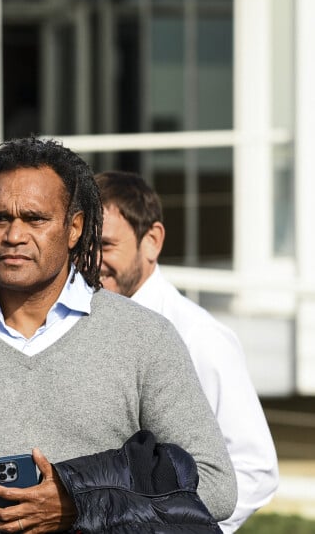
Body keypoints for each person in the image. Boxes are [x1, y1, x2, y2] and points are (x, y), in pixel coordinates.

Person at [0, 137, 236, 533]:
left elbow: (216, 486)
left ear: (74, 227)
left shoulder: (145, 339)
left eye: (34, 219)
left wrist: (81, 503)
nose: (14, 235)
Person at [95, 170, 279, 533]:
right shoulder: (80, 321)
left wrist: (170, 527)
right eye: (80, 247)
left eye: (104, 245)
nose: (89, 262)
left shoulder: (199, 336)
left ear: (152, 241)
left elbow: (255, 468)